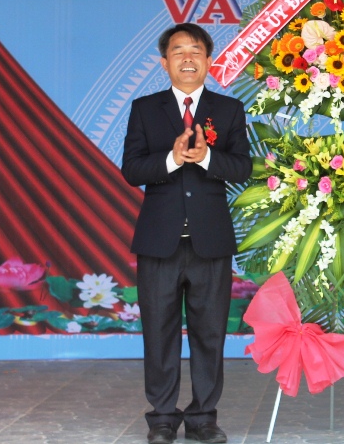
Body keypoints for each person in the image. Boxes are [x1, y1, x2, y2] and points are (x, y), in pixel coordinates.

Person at [121, 23, 252, 444]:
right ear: (165, 63)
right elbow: (132, 169)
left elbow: (242, 168)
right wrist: (173, 159)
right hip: (159, 242)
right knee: (158, 333)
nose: (188, 58)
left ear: (209, 61)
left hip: (210, 242)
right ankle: (161, 418)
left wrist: (207, 156)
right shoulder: (145, 109)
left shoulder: (228, 109)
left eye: (196, 50)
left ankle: (203, 418)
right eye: (178, 51)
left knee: (209, 334)